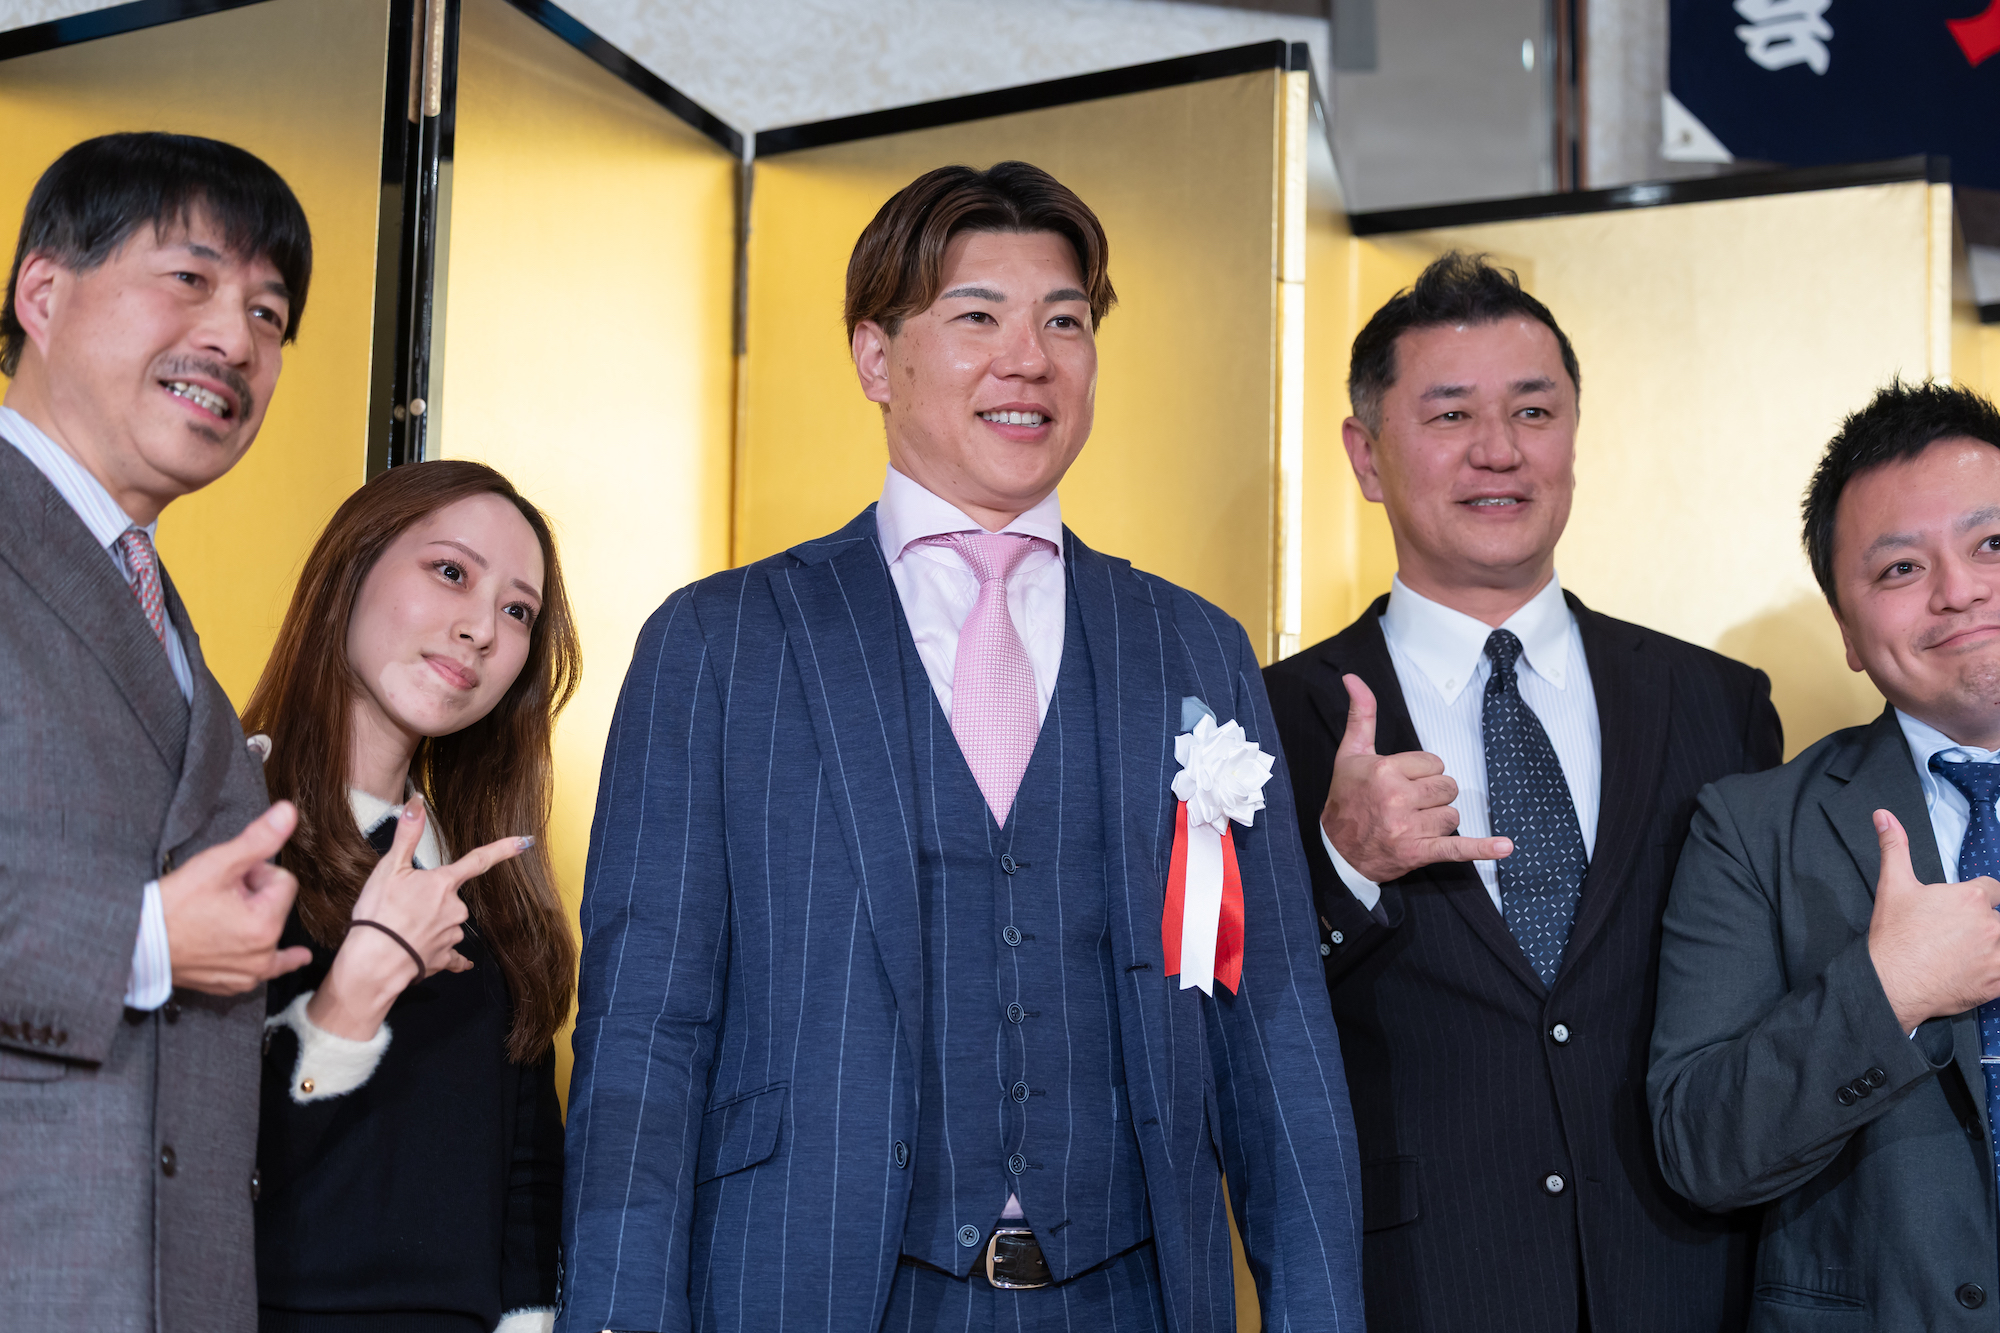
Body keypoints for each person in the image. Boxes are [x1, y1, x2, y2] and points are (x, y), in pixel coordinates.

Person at [558, 161, 1363, 1332]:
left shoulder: (1190, 645)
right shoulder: (721, 642)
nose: (1027, 359)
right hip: (806, 1290)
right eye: (976, 317)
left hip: (1128, 1298)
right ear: (875, 358)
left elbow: (1272, 1023)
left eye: (1064, 323)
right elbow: (645, 1034)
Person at [1262, 252, 1782, 1332]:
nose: (1497, 449)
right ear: (1365, 454)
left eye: (1532, 411)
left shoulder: (1716, 701)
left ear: (1573, 438)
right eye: (1449, 413)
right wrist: (1342, 865)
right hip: (1419, 1288)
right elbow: (1226, 1027)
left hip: (1686, 1280)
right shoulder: (1270, 717)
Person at [0, 132, 316, 1332]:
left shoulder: (162, 619)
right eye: (189, 278)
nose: (236, 340)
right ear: (43, 294)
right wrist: (140, 941)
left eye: (269, 312)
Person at [1650, 380, 2000, 1325]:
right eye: (1900, 567)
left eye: (1991, 543)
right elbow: (1700, 1147)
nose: (1960, 589)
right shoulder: (1750, 827)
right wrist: (1891, 990)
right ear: (1847, 631)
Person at [241, 459, 579, 1333]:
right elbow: (195, 1159)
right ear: (351, 568)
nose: (481, 629)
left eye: (517, 611)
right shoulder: (220, 832)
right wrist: (357, 988)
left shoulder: (489, 886)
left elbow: (526, 1187)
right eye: (451, 571)